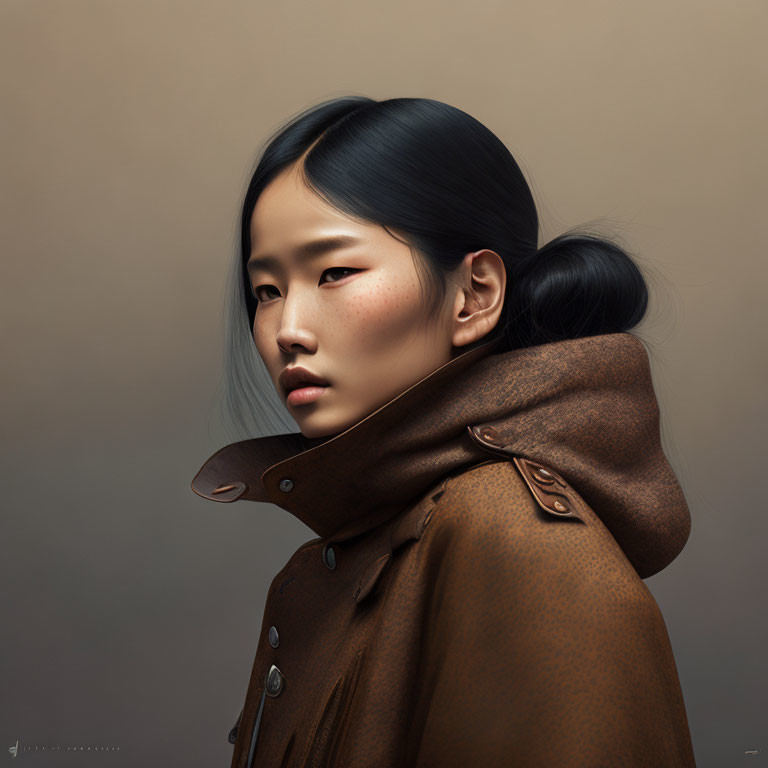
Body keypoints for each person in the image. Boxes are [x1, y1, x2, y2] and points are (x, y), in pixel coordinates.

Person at [191, 96, 697, 767]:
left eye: (334, 272)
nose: (287, 330)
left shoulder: (514, 541)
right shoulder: (361, 547)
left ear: (475, 296)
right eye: (266, 290)